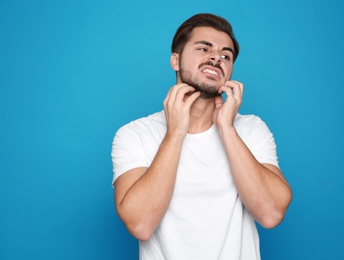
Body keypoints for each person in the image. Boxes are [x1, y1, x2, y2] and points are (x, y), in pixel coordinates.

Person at [111, 13, 292, 260]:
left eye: (225, 55)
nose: (216, 57)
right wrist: (175, 132)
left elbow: (270, 214)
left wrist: (226, 128)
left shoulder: (252, 129)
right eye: (203, 48)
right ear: (175, 60)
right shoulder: (135, 134)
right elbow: (140, 224)